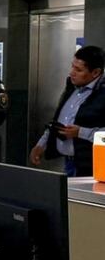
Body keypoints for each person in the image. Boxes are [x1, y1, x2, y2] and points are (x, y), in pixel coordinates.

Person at [30, 45, 105, 177]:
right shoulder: (72, 88)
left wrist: (80, 132)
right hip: (68, 163)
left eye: (78, 70)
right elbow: (58, 120)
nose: (71, 73)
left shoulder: (102, 95)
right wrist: (42, 144)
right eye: (72, 66)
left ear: (95, 72)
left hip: (91, 168)